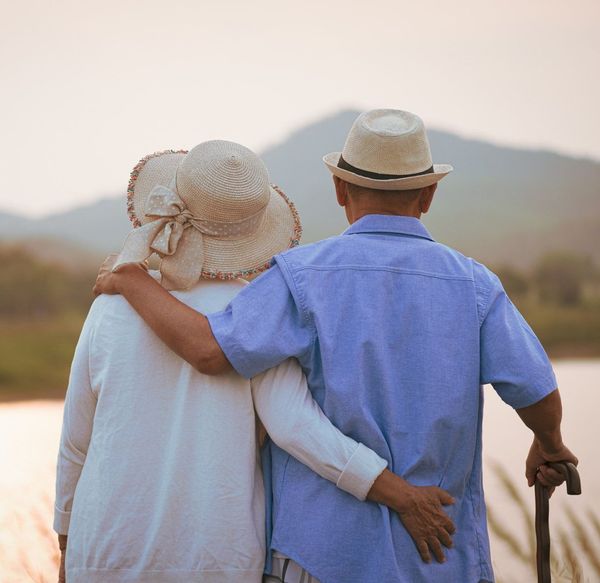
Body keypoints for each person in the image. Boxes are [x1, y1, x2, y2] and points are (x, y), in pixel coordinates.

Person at [94, 110, 578, 583]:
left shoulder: (299, 276)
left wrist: (132, 280)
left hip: (320, 554)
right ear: (428, 195)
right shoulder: (475, 285)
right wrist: (549, 444)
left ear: (340, 188)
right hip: (437, 552)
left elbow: (208, 351)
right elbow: (535, 389)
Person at [55, 140, 443, 583]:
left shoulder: (111, 304)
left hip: (104, 550)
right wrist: (401, 495)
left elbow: (75, 441)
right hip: (214, 559)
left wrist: (68, 539)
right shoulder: (256, 315)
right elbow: (298, 429)